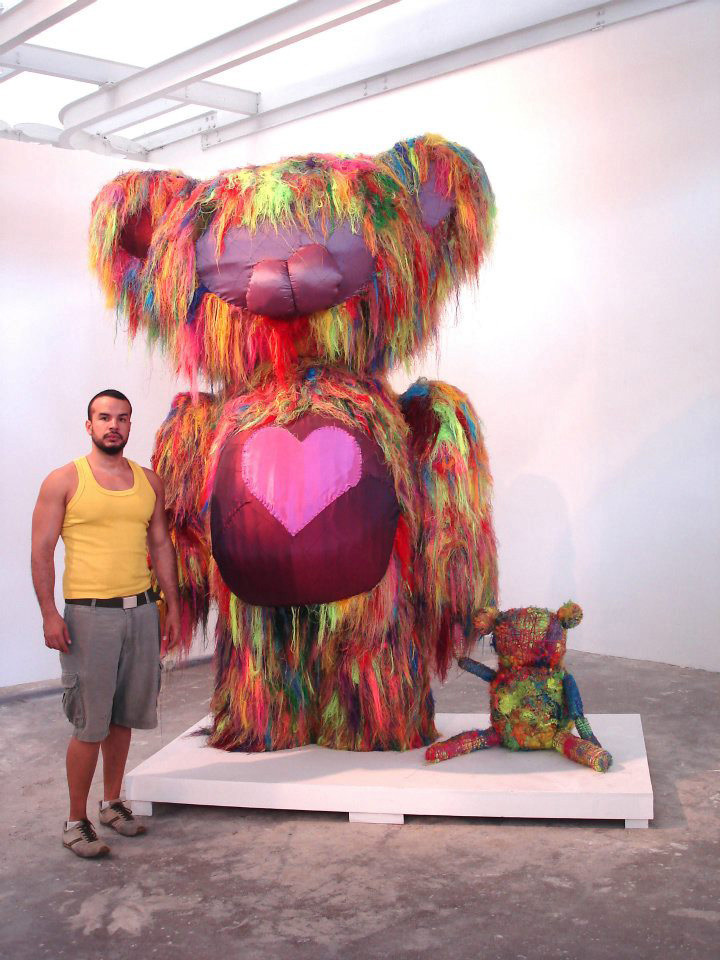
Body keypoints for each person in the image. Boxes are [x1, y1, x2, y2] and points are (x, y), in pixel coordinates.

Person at [31, 389, 181, 858]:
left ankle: (112, 803)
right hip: (89, 615)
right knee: (89, 724)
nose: (113, 425)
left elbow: (161, 544)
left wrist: (173, 606)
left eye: (122, 418)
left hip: (141, 611)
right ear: (89, 425)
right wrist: (49, 613)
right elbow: (41, 551)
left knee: (124, 718)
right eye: (104, 417)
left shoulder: (149, 482)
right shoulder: (64, 480)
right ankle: (75, 821)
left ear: (130, 424)